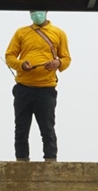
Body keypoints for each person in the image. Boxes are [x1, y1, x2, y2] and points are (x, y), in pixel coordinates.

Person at [5, 11, 71, 162]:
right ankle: (21, 160)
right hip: (23, 87)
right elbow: (9, 56)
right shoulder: (21, 32)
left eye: (39, 11)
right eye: (33, 11)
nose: (36, 14)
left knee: (47, 128)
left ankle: (50, 160)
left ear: (46, 12)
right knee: (21, 128)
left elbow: (66, 58)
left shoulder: (58, 33)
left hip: (46, 88)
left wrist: (58, 63)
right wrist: (21, 64)